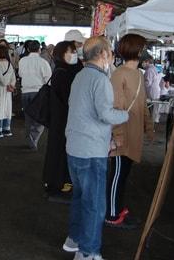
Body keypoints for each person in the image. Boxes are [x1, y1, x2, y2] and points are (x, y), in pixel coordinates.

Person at [62, 36, 129, 259]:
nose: (111, 54)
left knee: (80, 198)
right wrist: (127, 114)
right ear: (102, 54)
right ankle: (88, 251)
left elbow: (83, 112)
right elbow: (105, 114)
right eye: (109, 51)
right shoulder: (100, 80)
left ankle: (74, 239)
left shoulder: (80, 76)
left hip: (75, 146)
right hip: (91, 151)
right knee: (95, 205)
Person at [106, 34, 153, 229]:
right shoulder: (119, 74)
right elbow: (115, 106)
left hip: (133, 133)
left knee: (123, 174)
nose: (144, 51)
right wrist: (117, 136)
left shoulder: (139, 74)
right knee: (117, 175)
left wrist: (148, 128)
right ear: (136, 50)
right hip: (122, 134)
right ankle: (111, 214)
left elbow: (142, 104)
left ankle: (116, 208)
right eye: (142, 48)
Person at [43, 40, 82, 203]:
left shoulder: (70, 70)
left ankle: (63, 183)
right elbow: (67, 98)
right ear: (61, 54)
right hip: (61, 122)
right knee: (59, 152)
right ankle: (57, 186)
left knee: (63, 152)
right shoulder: (62, 73)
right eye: (70, 51)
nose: (74, 54)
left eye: (74, 51)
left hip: (65, 120)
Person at [18, 40, 52, 150]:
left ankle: (30, 139)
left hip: (25, 92)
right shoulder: (43, 62)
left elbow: (20, 74)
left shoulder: (22, 60)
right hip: (38, 93)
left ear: (28, 49)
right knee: (39, 118)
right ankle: (34, 140)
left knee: (28, 117)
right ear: (39, 50)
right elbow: (48, 79)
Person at [0, 45, 16, 138]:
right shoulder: (9, 64)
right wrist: (11, 85)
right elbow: (13, 78)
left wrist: (5, 84)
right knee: (7, 108)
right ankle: (7, 129)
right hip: (8, 90)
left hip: (0, 88)